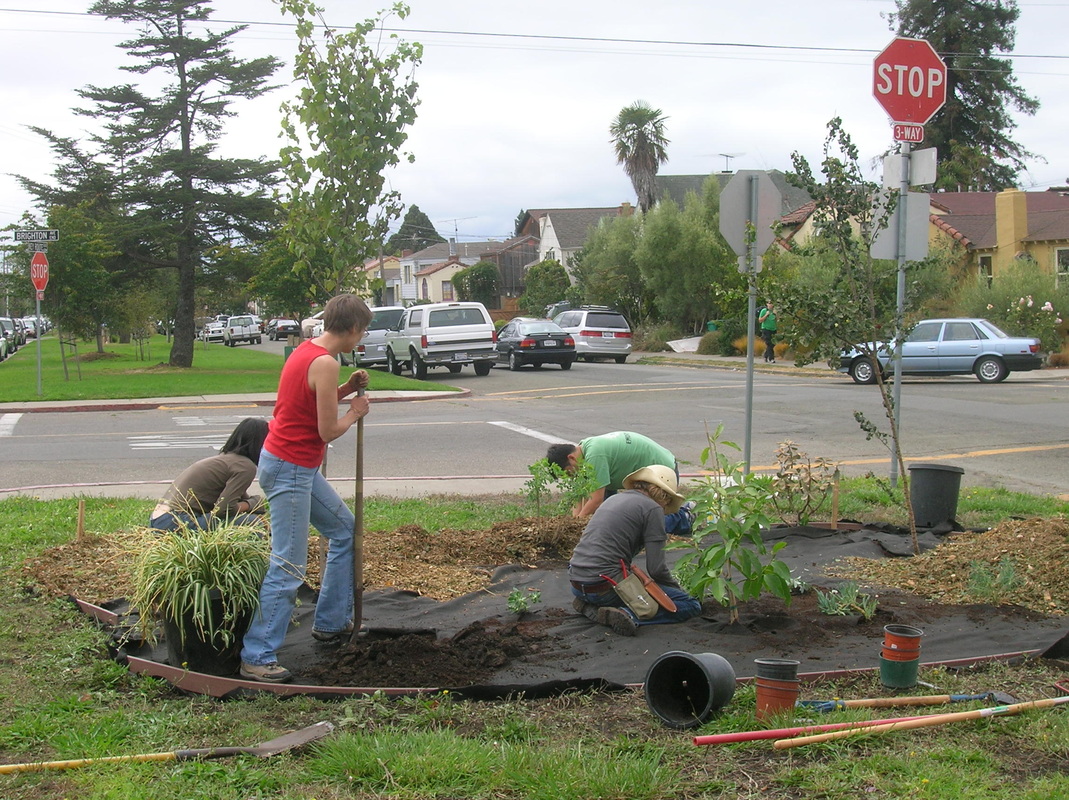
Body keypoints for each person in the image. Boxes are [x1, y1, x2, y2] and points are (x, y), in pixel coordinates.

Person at [239, 294, 372, 684]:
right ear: (350, 329)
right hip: (291, 469)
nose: (360, 338)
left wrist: (346, 389)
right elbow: (327, 429)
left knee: (344, 529)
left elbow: (306, 402)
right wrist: (354, 412)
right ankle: (257, 655)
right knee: (289, 563)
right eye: (361, 331)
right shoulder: (325, 362)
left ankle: (330, 622)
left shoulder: (306, 352)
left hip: (291, 465)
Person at [568, 464, 702, 636]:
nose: (665, 508)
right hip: (604, 588)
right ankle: (628, 615)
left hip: (576, 582)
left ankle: (589, 607)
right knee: (689, 605)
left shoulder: (613, 499)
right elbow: (657, 569)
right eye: (667, 501)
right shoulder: (652, 509)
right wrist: (677, 591)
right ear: (664, 495)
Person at [545, 431, 695, 533]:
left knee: (641, 526)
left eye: (567, 472)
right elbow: (581, 495)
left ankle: (684, 517)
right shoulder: (583, 451)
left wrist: (577, 526)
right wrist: (574, 521)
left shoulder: (595, 455)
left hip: (662, 473)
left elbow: (596, 500)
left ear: (571, 458)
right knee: (609, 519)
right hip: (640, 476)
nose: (570, 477)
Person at [148, 417, 269, 532]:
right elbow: (224, 510)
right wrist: (250, 504)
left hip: (159, 519)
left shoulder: (227, 460)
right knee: (253, 523)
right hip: (176, 521)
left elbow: (235, 498)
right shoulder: (245, 466)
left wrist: (252, 503)